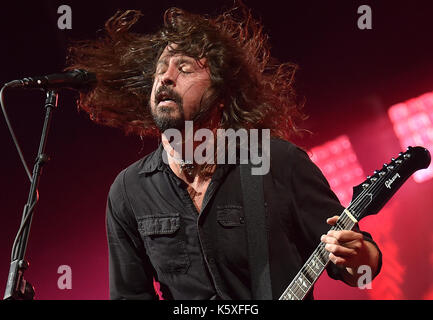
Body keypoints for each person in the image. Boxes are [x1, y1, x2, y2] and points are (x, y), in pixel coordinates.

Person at [67, 4, 382, 300]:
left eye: (185, 68)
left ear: (221, 94)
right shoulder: (129, 190)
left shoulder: (279, 163)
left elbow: (360, 271)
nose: (165, 76)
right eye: (161, 69)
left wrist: (358, 257)